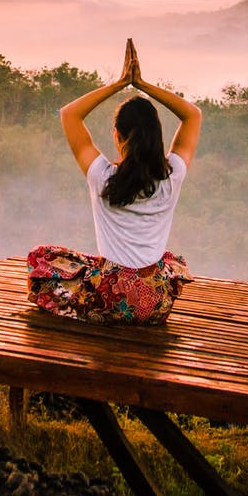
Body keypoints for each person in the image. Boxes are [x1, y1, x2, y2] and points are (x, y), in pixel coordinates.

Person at [27, 40, 202, 325]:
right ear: (157, 138)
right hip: (154, 303)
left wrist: (121, 83)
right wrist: (142, 84)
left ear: (117, 136)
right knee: (168, 261)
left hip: (109, 299)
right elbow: (192, 115)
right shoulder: (173, 175)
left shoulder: (102, 176)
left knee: (40, 258)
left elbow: (70, 114)